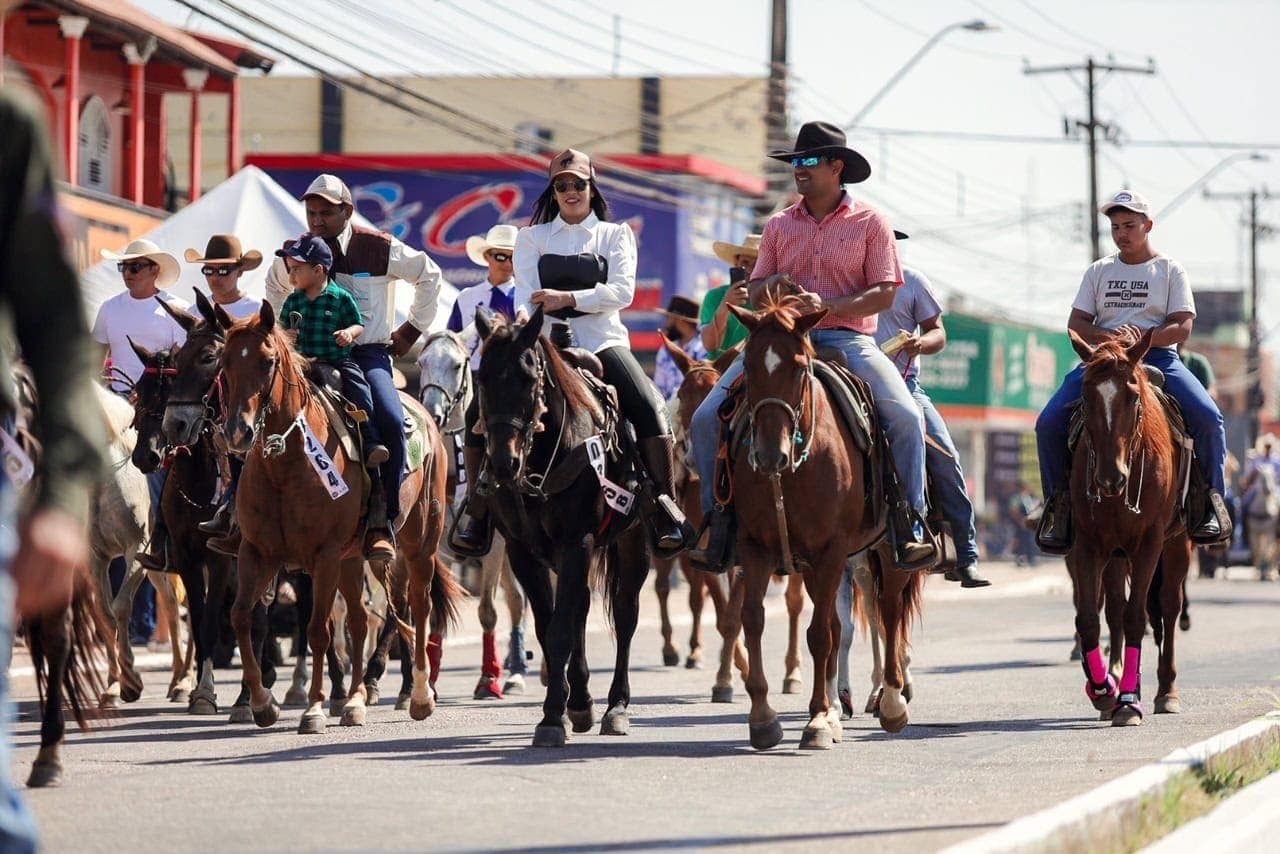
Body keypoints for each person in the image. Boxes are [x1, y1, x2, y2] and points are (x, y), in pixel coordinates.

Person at [689, 121, 936, 571]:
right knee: (706, 418)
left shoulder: (871, 223)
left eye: (807, 162)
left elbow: (884, 292)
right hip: (782, 340)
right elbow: (758, 286)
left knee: (904, 414)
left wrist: (830, 303)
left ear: (836, 167)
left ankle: (909, 521)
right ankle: (717, 520)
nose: (798, 170)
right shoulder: (780, 224)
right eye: (794, 163)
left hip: (849, 338)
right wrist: (774, 285)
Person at [477, 148, 691, 558]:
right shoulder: (530, 237)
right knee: (487, 404)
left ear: (592, 189)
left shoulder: (615, 234)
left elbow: (622, 293)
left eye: (579, 184)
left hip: (602, 340)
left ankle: (665, 506)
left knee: (649, 405)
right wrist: (532, 319)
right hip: (541, 342)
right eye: (562, 185)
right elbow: (524, 294)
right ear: (553, 192)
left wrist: (565, 298)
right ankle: (478, 506)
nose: (571, 191)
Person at [1, 86, 107, 853]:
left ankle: (375, 519)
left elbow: (56, 329)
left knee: (375, 404)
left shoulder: (6, 119)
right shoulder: (129, 305)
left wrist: (65, 494)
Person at [1035, 189, 1232, 552]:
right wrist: (1108, 336)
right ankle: (1058, 504)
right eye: (1114, 227)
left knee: (1208, 417)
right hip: (1105, 362)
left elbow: (1182, 326)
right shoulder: (1099, 271)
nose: (1121, 233)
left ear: (1148, 226)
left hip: (1158, 360)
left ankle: (1211, 503)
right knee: (1048, 422)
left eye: (1129, 225)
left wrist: (1145, 337)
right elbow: (1077, 321)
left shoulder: (1170, 270)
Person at [265, 174, 444, 542]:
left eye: (326, 213)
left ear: (347, 211)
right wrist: (285, 336)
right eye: (311, 212)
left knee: (392, 421)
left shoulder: (378, 246)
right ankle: (242, 516)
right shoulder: (296, 253)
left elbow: (430, 274)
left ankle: (384, 516)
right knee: (255, 415)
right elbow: (274, 288)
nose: (316, 220)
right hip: (305, 357)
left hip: (366, 355)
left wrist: (411, 330)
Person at [874, 232, 989, 588]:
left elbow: (938, 331)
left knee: (945, 455)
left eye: (885, 241)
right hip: (851, 381)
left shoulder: (912, 281)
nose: (879, 247)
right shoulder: (846, 281)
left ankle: (964, 554)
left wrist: (919, 344)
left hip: (903, 386)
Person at [92, 238, 188, 633]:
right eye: (124, 268)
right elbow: (92, 361)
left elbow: (188, 367)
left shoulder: (176, 310)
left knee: (156, 479)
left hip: (158, 412)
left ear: (154, 271)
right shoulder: (109, 310)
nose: (128, 273)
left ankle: (163, 538)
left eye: (136, 266)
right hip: (114, 407)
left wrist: (152, 393)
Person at [278, 235, 394, 560]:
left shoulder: (340, 297)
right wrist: (287, 338)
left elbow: (358, 323)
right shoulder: (292, 301)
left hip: (335, 362)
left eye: (296, 269)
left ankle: (369, 441)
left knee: (360, 391)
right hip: (301, 366)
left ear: (318, 270)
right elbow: (282, 330)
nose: (291, 276)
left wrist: (350, 333)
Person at [184, 235, 263, 549]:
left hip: (245, 400)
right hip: (204, 404)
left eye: (223, 271)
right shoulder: (194, 310)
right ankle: (163, 534)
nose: (216, 278)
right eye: (209, 271)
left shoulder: (256, 308)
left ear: (240, 272)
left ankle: (236, 515)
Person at [444, 224, 517, 557]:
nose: (506, 262)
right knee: (473, 421)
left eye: (513, 257)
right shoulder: (466, 298)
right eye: (500, 256)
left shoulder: (529, 295)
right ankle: (475, 503)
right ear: (487, 257)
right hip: (478, 381)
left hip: (520, 382)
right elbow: (452, 346)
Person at [699, 234, 759, 359]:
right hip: (722, 369)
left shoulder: (774, 298)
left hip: (758, 370)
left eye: (757, 264)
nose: (750, 270)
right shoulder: (715, 296)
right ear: (736, 263)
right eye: (745, 263)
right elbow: (710, 346)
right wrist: (726, 304)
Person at [1240, 434, 1280, 581]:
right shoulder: (1257, 461)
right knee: (1244, 505)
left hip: (1274, 490)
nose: (1268, 448)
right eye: (1266, 445)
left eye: (1270, 446)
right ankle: (1242, 529)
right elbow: (1249, 478)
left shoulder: (1277, 461)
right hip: (1256, 491)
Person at [653, 295, 706, 399]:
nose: (666, 323)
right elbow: (658, 391)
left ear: (681, 320)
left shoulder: (705, 350)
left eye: (669, 318)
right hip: (668, 412)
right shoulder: (665, 351)